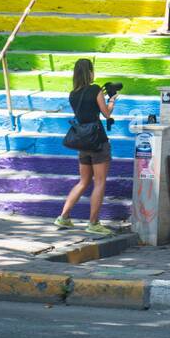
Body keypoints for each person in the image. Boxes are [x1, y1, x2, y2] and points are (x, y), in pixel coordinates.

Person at [55, 58, 117, 237]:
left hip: (82, 141)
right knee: (99, 182)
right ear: (90, 72)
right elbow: (106, 113)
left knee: (83, 181)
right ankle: (93, 223)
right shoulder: (95, 89)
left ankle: (64, 216)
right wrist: (111, 100)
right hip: (98, 141)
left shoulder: (73, 94)